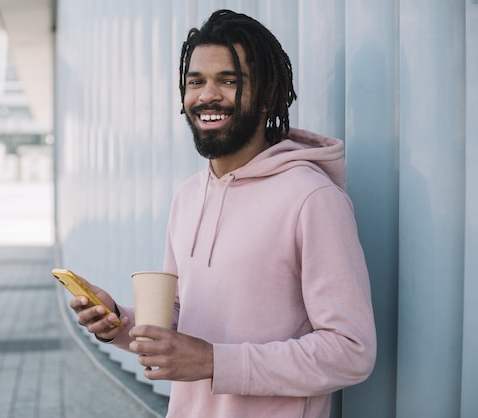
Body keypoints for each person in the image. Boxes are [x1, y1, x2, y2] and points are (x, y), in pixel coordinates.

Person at [69, 9, 376, 418]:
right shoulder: (188, 196)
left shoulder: (312, 198)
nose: (206, 96)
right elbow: (179, 316)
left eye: (228, 81)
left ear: (267, 96)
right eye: (195, 82)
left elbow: (351, 351)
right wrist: (120, 323)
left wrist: (216, 362)